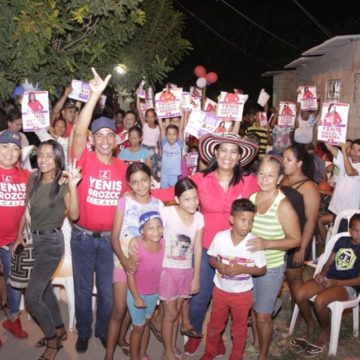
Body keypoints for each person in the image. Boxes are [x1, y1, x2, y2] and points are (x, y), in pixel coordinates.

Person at [158, 133, 259, 355]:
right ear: (215, 152)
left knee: (224, 298)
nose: (228, 156)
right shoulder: (200, 179)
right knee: (200, 294)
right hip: (204, 248)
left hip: (235, 251)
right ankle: (194, 333)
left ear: (240, 157)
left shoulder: (249, 182)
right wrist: (142, 193)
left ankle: (217, 337)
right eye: (223, 150)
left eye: (234, 151)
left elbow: (267, 200)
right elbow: (173, 192)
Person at [70, 68, 128, 354]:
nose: (105, 139)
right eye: (99, 135)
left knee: (106, 292)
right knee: (82, 290)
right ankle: (83, 331)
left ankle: (103, 331)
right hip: (81, 237)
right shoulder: (84, 159)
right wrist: (94, 95)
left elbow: (143, 194)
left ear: (117, 141)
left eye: (110, 135)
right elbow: (78, 131)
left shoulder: (124, 169)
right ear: (93, 140)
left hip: (109, 241)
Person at [19, 139, 81, 360]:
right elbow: (27, 210)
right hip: (33, 240)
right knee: (44, 290)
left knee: (33, 298)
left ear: (57, 158)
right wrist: (20, 237)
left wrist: (73, 186)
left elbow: (74, 215)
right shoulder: (33, 178)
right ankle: (60, 328)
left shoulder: (63, 183)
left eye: (48, 155)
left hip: (51, 244)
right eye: (40, 155)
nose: (43, 160)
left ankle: (53, 341)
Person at [105, 162, 163, 360]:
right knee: (120, 309)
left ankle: (123, 339)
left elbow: (161, 236)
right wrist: (124, 260)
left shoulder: (158, 204)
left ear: (151, 180)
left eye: (144, 180)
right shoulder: (125, 202)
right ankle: (109, 354)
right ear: (129, 184)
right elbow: (114, 236)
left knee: (136, 307)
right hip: (123, 262)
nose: (140, 186)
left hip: (146, 268)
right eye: (135, 182)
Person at [247, 155, 301, 360]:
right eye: (261, 173)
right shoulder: (253, 198)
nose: (264, 178)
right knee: (253, 306)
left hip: (272, 267)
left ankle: (263, 354)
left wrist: (266, 243)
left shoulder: (283, 205)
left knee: (263, 315)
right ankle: (255, 340)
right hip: (252, 265)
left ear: (279, 179)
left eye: (271, 175)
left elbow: (295, 240)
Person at [200, 199, 266, 360]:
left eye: (251, 221)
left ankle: (236, 356)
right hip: (220, 291)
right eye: (243, 220)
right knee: (215, 325)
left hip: (242, 295)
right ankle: (210, 352)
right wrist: (219, 266)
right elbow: (211, 259)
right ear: (232, 219)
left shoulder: (253, 243)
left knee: (239, 329)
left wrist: (242, 269)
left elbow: (262, 269)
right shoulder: (220, 238)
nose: (247, 225)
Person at [292, 213, 360, 357]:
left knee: (320, 301)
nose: (358, 234)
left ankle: (325, 330)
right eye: (355, 230)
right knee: (300, 294)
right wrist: (322, 274)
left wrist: (337, 283)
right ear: (349, 230)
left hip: (348, 285)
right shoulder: (342, 241)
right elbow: (329, 263)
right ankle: (311, 323)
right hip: (330, 278)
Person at [159, 178, 203, 360]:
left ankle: (172, 345)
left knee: (176, 313)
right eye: (187, 199)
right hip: (167, 270)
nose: (193, 202)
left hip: (185, 271)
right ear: (177, 199)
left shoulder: (199, 217)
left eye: (195, 198)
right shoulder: (166, 213)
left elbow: (198, 247)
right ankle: (167, 351)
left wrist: (196, 276)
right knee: (170, 314)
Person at [281, 144, 320, 306]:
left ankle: (302, 316)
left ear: (299, 163)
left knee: (294, 280)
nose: (284, 162)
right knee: (280, 277)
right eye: (283, 158)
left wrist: (302, 249)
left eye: (288, 159)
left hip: (297, 240)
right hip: (279, 237)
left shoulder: (309, 187)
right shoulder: (283, 179)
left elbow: (311, 220)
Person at [0, 131, 30, 342]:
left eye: (15, 148)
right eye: (5, 146)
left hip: (13, 241)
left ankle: (13, 319)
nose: (10, 152)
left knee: (15, 284)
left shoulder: (26, 177)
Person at [127, 211, 165, 360]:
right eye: (150, 228)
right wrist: (136, 297)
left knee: (147, 324)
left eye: (158, 227)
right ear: (142, 231)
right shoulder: (137, 248)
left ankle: (142, 353)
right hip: (136, 293)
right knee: (138, 328)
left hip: (153, 293)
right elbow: (130, 274)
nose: (155, 231)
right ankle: (134, 356)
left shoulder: (164, 243)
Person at [158, 117, 185, 188]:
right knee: (164, 192)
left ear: (177, 135)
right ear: (166, 135)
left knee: (173, 193)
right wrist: (159, 116)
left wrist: (182, 114)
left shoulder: (179, 144)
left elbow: (181, 129)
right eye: (169, 134)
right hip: (164, 173)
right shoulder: (164, 143)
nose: (171, 136)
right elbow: (161, 128)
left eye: (174, 134)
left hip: (174, 174)